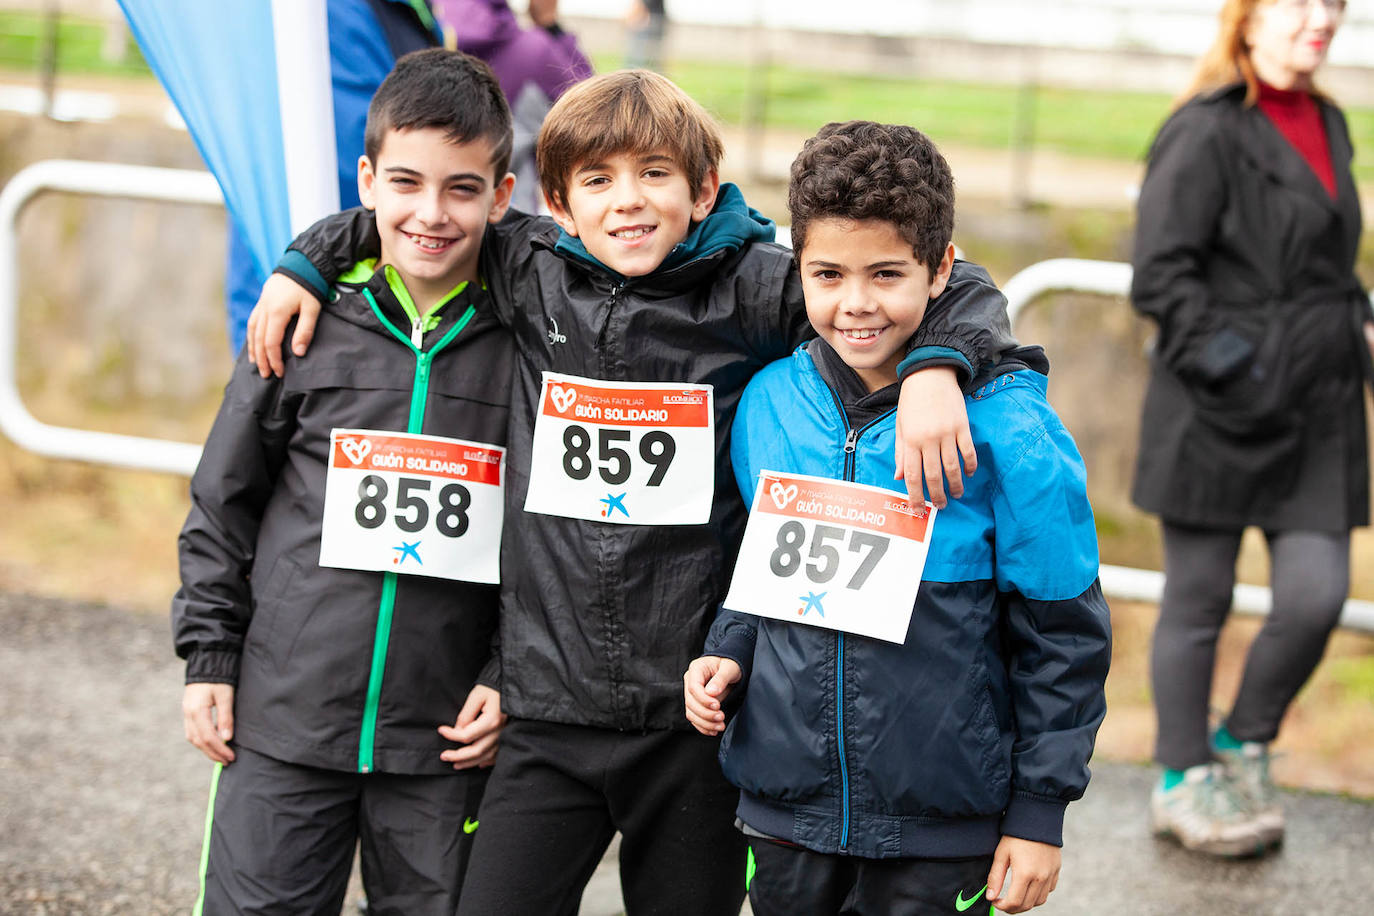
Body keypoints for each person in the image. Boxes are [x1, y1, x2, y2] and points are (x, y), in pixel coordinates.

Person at [246, 69, 1017, 915]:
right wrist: (306, 263)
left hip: (693, 717)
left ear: (703, 190)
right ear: (558, 203)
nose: (629, 202)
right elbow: (426, 218)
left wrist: (938, 366)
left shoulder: (757, 287)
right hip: (547, 712)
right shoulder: (529, 267)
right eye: (599, 180)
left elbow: (940, 279)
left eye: (655, 174)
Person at [684, 120, 1111, 916]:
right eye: (828, 274)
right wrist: (730, 649)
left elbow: (1064, 634)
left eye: (886, 274)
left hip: (942, 827)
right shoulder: (770, 402)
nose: (855, 304)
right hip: (785, 816)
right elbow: (762, 573)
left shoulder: (1011, 432)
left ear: (941, 268)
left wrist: (1040, 813)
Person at [173, 49, 516, 914]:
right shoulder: (302, 324)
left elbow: (551, 537)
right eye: (405, 183)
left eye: (462, 189)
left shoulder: (534, 340)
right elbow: (224, 497)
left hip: (444, 740)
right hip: (286, 718)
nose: (430, 213)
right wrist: (209, 656)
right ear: (366, 181)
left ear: (503, 195)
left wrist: (512, 672)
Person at [1130, 0, 1367, 858]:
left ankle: (1243, 740)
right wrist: (1245, 366)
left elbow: (1324, 267)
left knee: (1315, 595)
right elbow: (1159, 277)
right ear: (1249, 18)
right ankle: (1183, 778)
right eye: (1299, 3)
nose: (1321, 19)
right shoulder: (1205, 129)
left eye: (1333, 5)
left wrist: (1356, 330)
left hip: (1320, 406)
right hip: (1218, 406)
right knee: (1199, 600)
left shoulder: (1331, 119)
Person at [224, 0, 442, 355]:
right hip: (316, 288)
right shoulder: (320, 17)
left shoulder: (401, 13)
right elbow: (352, 166)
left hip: (357, 288)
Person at [434, 0, 594, 213]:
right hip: (510, 218)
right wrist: (550, 25)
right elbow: (594, 107)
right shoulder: (533, 50)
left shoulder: (417, 27)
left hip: (430, 213)